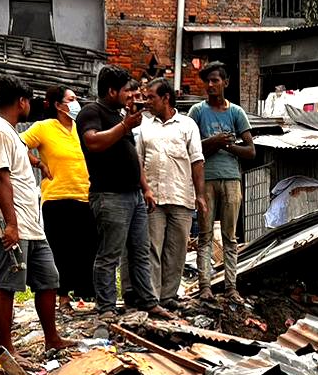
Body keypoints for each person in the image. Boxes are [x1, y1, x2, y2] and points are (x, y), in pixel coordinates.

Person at [0, 75, 71, 354]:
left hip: (30, 223)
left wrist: (37, 162)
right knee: (7, 285)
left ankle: (52, 339)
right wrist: (11, 225)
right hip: (9, 223)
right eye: (29, 101)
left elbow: (17, 156)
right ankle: (6, 349)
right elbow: (1, 178)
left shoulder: (8, 131)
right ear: (21, 102)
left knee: (49, 279)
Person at [76, 65, 162, 319]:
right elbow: (92, 141)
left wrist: (145, 188)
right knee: (109, 254)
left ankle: (147, 301)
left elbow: (132, 156)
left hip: (133, 194)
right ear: (112, 91)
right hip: (110, 195)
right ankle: (106, 307)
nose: (131, 95)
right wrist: (124, 126)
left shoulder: (119, 115)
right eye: (126, 90)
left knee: (140, 251)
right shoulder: (92, 112)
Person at [188, 61, 255, 302]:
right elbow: (190, 147)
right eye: (207, 81)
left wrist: (228, 145)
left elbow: (251, 150)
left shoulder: (236, 112)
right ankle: (205, 286)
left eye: (215, 80)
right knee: (205, 236)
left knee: (230, 236)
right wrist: (213, 142)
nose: (210, 85)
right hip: (205, 179)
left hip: (231, 179)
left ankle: (231, 287)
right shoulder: (197, 111)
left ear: (225, 83)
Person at [137, 77, 205, 310]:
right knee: (152, 249)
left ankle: (169, 297)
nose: (147, 102)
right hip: (153, 198)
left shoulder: (187, 125)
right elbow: (139, 161)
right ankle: (153, 299)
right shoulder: (145, 127)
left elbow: (197, 161)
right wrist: (145, 189)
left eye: (151, 97)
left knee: (176, 250)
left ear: (166, 98)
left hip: (181, 197)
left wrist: (200, 195)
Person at [21, 85, 94, 300]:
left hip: (84, 195)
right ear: (57, 105)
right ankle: (62, 296)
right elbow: (16, 143)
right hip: (57, 198)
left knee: (86, 249)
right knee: (61, 250)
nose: (75, 104)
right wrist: (37, 163)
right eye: (70, 100)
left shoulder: (82, 128)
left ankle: (85, 295)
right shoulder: (45, 127)